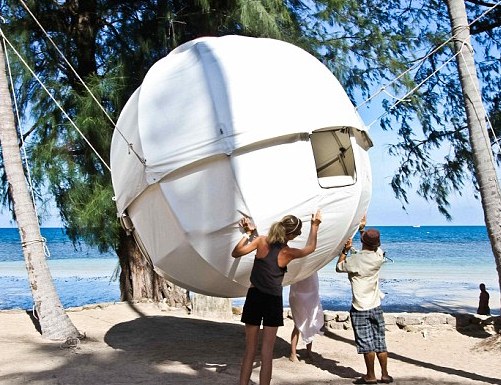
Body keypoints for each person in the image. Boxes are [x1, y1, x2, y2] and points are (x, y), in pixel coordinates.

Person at [232, 210, 322, 385]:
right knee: (267, 353)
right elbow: (310, 248)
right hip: (272, 301)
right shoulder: (287, 252)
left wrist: (248, 234)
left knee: (250, 350)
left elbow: (236, 253)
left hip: (254, 297)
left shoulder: (260, 240)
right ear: (290, 234)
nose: (298, 235)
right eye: (298, 233)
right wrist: (315, 225)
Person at [336, 226, 393, 385]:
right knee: (380, 342)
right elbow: (374, 247)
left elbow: (339, 267)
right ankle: (385, 374)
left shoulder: (355, 259)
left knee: (367, 343)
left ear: (362, 241)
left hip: (360, 307)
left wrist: (345, 251)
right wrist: (362, 230)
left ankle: (370, 375)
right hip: (376, 305)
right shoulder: (378, 256)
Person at [288, 271, 324, 362]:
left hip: (312, 292)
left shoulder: (313, 261)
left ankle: (309, 352)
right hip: (298, 292)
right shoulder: (299, 260)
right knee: (297, 323)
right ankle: (293, 353)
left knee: (310, 322)